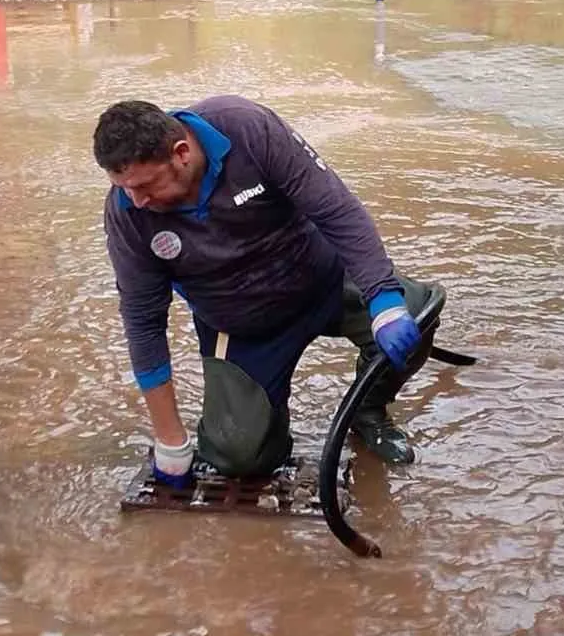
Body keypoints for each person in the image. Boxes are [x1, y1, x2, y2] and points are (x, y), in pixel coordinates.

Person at [94, 95, 439, 487]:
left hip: (322, 278)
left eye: (145, 186)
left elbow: (336, 209)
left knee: (416, 315)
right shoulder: (128, 213)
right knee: (240, 458)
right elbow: (143, 321)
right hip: (243, 325)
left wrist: (384, 299)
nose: (137, 200)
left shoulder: (247, 129)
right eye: (123, 188)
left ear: (182, 153)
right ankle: (264, 429)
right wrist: (170, 439)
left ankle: (368, 412)